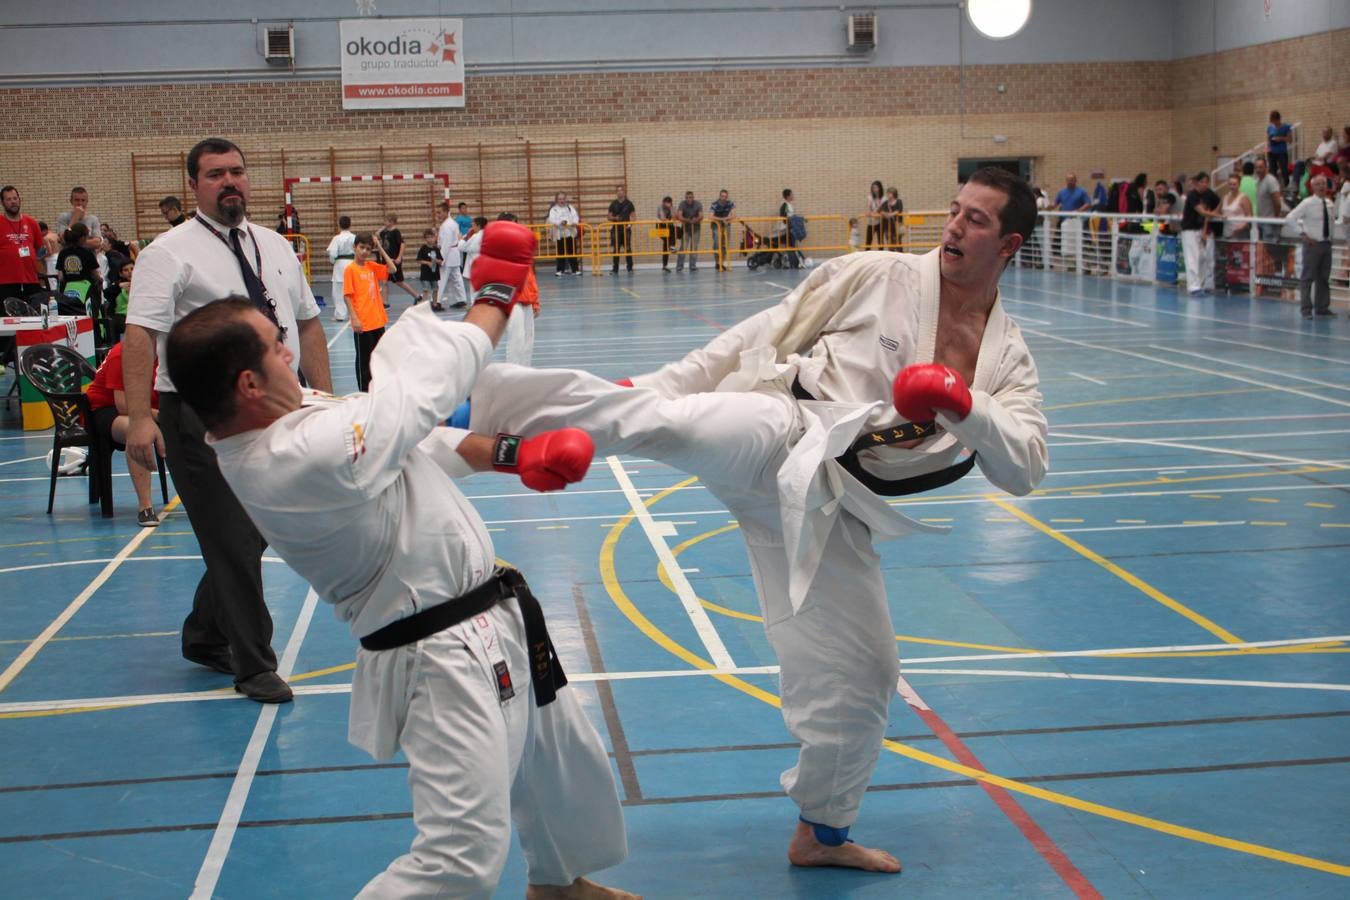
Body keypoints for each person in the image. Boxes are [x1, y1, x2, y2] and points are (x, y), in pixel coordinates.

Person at [463, 167, 1048, 875]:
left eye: (977, 220)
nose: (955, 226)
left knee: (866, 673)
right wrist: (660, 383)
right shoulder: (879, 274)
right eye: (955, 211)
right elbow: (760, 333)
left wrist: (965, 403)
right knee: (666, 420)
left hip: (831, 506)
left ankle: (822, 832)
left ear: (1009, 243)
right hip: (780, 425)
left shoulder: (1006, 355)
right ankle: (472, 417)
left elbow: (1024, 467)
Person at [163, 222, 638, 899]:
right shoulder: (287, 458)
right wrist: (493, 302)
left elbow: (410, 445)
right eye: (276, 346)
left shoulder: (295, 422)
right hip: (436, 655)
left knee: (551, 764)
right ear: (247, 382)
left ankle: (558, 885)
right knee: (461, 854)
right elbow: (412, 401)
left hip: (490, 614)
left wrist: (511, 456)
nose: (289, 351)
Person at [123, 136, 333, 704]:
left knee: (262, 529)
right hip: (199, 415)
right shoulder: (167, 252)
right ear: (194, 184)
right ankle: (254, 663)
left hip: (273, 411)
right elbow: (139, 334)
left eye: (237, 171)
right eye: (216, 174)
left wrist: (326, 398)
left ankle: (205, 632)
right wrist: (141, 419)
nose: (229, 182)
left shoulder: (277, 247)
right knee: (232, 539)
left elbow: (308, 324)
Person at [85, 339, 162, 526]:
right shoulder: (123, 354)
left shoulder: (165, 355)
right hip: (105, 410)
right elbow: (124, 405)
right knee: (135, 429)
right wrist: (161, 416)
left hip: (145, 409)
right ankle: (145, 507)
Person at [345, 231, 392, 391]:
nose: (365, 251)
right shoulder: (350, 270)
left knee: (378, 358)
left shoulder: (371, 266)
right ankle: (363, 392)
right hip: (363, 324)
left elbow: (392, 269)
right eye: (361, 247)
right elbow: (348, 296)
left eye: (368, 249)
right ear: (354, 247)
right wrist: (354, 318)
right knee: (364, 361)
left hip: (377, 321)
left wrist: (378, 246)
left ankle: (377, 387)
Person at [1285, 174, 1336, 318]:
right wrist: (1302, 234)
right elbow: (1290, 218)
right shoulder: (1307, 203)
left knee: (1324, 278)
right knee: (1307, 277)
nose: (1321, 187)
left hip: (1326, 244)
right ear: (1312, 187)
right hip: (1312, 245)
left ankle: (1322, 307)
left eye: (1324, 184)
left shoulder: (1330, 203)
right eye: (1318, 184)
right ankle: (1306, 309)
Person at [0, 185, 45, 302]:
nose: (13, 202)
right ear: (3, 203)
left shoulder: (31, 222)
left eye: (15, 198)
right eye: (8, 199)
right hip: (5, 282)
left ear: (19, 200)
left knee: (34, 316)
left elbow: (40, 249)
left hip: (31, 281)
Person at [1180, 171, 1221, 296]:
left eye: (1206, 182)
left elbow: (1219, 202)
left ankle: (1201, 283)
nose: (1204, 184)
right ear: (1197, 183)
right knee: (1192, 257)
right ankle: (1193, 287)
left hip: (1200, 229)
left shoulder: (1210, 194)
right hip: (1189, 230)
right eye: (1202, 182)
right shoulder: (1192, 195)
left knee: (1203, 258)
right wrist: (1216, 215)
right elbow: (1202, 212)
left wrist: (1214, 212)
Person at [1219, 172, 1253, 291]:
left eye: (1234, 184)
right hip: (1227, 233)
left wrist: (1240, 227)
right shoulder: (1225, 197)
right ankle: (1228, 283)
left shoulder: (1243, 198)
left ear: (1239, 185)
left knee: (1239, 260)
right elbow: (1218, 211)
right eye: (1230, 184)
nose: (1232, 186)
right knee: (1227, 260)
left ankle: (1241, 285)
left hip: (1240, 234)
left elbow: (1249, 216)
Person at [1049, 172, 1090, 270]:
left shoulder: (1081, 191)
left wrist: (1078, 211)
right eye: (1068, 180)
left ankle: (1083, 265)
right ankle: (1071, 265)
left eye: (1072, 180)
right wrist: (1046, 207)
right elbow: (1055, 204)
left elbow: (1088, 203)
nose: (1070, 182)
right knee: (1067, 244)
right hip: (1065, 223)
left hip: (1077, 222)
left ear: (1075, 181)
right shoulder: (1062, 192)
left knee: (1079, 243)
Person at [436, 200, 468, 308]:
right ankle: (462, 299)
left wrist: (441, 258)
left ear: (446, 212)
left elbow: (446, 244)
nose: (438, 215)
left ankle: (437, 302)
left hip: (448, 254)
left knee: (441, 279)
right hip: (454, 254)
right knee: (457, 278)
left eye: (439, 212)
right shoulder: (452, 223)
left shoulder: (446, 226)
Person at [326, 215, 356, 322]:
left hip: (340, 265)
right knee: (353, 290)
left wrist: (333, 261)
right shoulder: (355, 237)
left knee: (338, 291)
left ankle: (340, 315)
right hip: (353, 264)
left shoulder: (337, 238)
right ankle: (355, 313)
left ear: (339, 225)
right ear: (350, 224)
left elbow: (333, 253)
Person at [548, 193, 581, 276]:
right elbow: (552, 219)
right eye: (560, 199)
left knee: (572, 252)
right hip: (560, 233)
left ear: (565, 199)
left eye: (563, 199)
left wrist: (574, 223)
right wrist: (560, 222)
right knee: (560, 252)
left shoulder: (570, 208)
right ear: (557, 200)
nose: (561, 201)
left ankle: (575, 270)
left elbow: (575, 216)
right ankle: (560, 270)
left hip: (570, 232)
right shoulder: (553, 209)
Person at [607, 186, 635, 274]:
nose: (619, 192)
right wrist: (615, 218)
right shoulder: (613, 204)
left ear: (624, 192)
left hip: (626, 230)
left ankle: (630, 268)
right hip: (616, 230)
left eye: (621, 190)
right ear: (616, 193)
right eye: (618, 191)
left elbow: (634, 216)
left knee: (628, 249)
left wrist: (630, 224)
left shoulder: (629, 203)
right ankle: (615, 269)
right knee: (616, 250)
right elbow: (609, 217)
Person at [415, 228, 445, 311]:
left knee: (435, 289)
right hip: (425, 273)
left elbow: (441, 261)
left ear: (435, 238)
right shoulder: (423, 248)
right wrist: (427, 263)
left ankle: (435, 304)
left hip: (435, 273)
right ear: (425, 239)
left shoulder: (436, 249)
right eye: (427, 237)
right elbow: (418, 260)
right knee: (425, 289)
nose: (430, 239)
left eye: (431, 237)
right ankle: (425, 306)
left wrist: (437, 261)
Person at [676, 191, 703, 272]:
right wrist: (688, 220)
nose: (688, 199)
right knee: (683, 247)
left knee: (694, 247)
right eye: (687, 197)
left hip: (696, 229)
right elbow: (679, 216)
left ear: (693, 197)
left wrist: (696, 219)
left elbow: (701, 215)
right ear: (685, 198)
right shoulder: (682, 204)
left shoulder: (698, 204)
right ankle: (679, 266)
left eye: (690, 197)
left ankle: (692, 266)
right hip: (685, 229)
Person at [709, 189, 736, 271]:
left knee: (725, 244)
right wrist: (722, 219)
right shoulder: (714, 204)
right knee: (717, 243)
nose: (723, 198)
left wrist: (727, 219)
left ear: (727, 197)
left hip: (726, 225)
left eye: (725, 196)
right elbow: (710, 216)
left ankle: (721, 263)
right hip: (716, 225)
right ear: (719, 196)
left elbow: (734, 214)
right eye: (722, 196)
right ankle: (717, 262)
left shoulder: (730, 203)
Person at [1267, 110, 1292, 187]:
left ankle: (1286, 185)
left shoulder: (1286, 127)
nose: (1273, 123)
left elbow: (1290, 140)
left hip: (1281, 151)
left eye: (1274, 120)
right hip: (1272, 152)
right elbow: (1268, 139)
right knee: (1272, 171)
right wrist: (1267, 149)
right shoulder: (1270, 128)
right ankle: (1273, 187)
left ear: (1278, 119)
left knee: (1284, 170)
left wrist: (1280, 138)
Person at [655, 196, 677, 273]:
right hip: (660, 228)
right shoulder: (660, 207)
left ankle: (665, 265)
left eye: (669, 203)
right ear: (663, 203)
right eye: (666, 203)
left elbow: (674, 218)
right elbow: (662, 218)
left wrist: (671, 209)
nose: (667, 204)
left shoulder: (673, 208)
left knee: (666, 245)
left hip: (669, 228)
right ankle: (672, 246)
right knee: (667, 243)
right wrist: (669, 221)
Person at [865, 180, 885, 249]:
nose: (875, 190)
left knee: (880, 241)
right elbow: (869, 209)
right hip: (871, 222)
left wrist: (874, 213)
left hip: (880, 222)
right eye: (873, 188)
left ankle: (881, 257)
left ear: (880, 188)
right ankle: (866, 257)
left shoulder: (883, 198)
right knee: (868, 241)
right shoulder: (870, 197)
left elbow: (880, 210)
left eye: (876, 188)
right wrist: (869, 211)